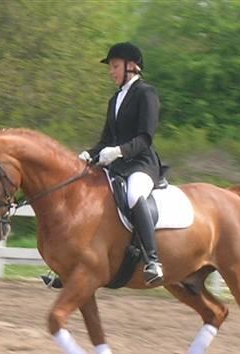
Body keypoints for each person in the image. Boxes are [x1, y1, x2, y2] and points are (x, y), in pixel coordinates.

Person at [79, 42, 165, 285]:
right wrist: (88, 154)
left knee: (134, 194)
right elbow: (105, 140)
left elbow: (145, 137)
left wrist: (119, 151)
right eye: (111, 67)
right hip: (116, 165)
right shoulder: (114, 100)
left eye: (115, 66)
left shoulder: (146, 93)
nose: (111, 71)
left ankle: (152, 259)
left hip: (141, 163)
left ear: (132, 66)